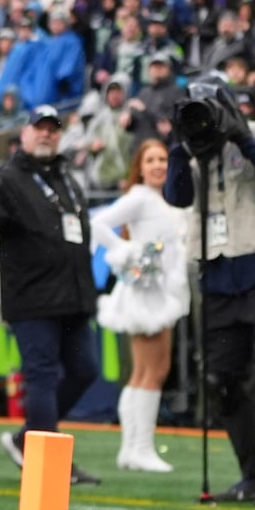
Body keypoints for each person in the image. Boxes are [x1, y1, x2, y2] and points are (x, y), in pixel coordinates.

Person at [163, 78, 255, 507]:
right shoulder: (194, 148)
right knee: (219, 379)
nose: (203, 114)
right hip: (218, 272)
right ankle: (254, 476)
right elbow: (177, 196)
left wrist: (241, 134)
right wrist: (179, 144)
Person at [0, 105, 102, 486]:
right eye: (39, 128)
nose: (46, 135)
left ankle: (29, 439)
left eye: (53, 129)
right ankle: (48, 466)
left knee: (85, 371)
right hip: (33, 297)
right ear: (24, 134)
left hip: (72, 296)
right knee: (40, 376)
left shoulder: (66, 177)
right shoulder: (11, 178)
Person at [90, 139, 189, 473]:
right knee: (153, 370)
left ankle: (131, 448)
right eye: (151, 160)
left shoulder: (168, 200)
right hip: (146, 293)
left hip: (164, 290)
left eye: (163, 158)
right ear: (140, 167)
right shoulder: (138, 198)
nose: (158, 165)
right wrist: (128, 252)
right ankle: (139, 448)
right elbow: (98, 223)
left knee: (145, 371)